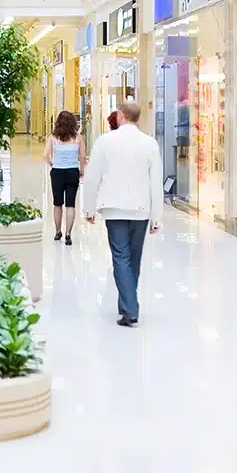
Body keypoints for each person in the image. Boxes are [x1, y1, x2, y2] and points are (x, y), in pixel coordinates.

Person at [83, 101, 163, 328]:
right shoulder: (150, 144)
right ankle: (128, 305)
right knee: (133, 259)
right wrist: (157, 217)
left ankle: (129, 307)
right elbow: (155, 183)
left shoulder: (105, 142)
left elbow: (92, 177)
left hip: (114, 208)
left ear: (120, 115)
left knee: (121, 257)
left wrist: (89, 208)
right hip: (141, 210)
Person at [43, 110, 85, 246]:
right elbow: (83, 157)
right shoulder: (78, 138)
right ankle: (68, 234)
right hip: (73, 172)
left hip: (57, 173)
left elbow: (45, 155)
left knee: (57, 203)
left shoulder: (52, 138)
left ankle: (57, 231)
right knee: (70, 204)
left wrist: (53, 164)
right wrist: (82, 170)